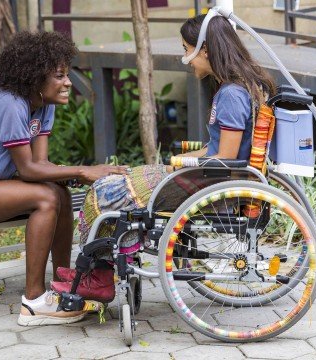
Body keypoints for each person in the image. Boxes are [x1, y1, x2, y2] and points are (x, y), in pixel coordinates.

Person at [51, 12, 275, 302]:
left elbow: (226, 159)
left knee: (106, 192)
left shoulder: (231, 94)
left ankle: (100, 278)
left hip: (210, 183)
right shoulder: (234, 88)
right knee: (120, 178)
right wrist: (174, 163)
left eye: (186, 50)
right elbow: (215, 149)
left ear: (204, 49)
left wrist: (182, 166)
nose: (185, 58)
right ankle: (98, 270)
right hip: (207, 176)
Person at [0, 31, 128, 326]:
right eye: (60, 76)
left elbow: (41, 164)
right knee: (46, 197)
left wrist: (73, 176)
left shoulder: (43, 104)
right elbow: (28, 171)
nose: (67, 83)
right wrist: (82, 171)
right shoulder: (10, 103)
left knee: (59, 193)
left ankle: (64, 285)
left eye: (67, 75)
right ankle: (33, 302)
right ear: (35, 76)